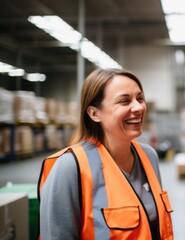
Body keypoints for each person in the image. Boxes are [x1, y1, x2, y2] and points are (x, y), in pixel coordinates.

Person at [38, 68, 174, 239]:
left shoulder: (149, 156)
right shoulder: (71, 167)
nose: (138, 107)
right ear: (94, 113)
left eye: (140, 98)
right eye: (124, 101)